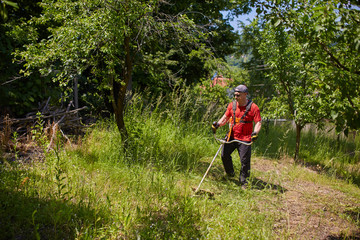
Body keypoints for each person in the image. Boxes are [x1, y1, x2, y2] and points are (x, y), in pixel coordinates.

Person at [212, 84, 262, 188]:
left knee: (244, 161)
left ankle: (244, 182)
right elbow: (225, 118)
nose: (236, 97)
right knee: (224, 155)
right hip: (232, 136)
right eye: (235, 95)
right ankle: (230, 174)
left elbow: (258, 123)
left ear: (245, 94)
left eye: (238, 95)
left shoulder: (253, 107)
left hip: (245, 138)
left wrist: (255, 133)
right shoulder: (232, 105)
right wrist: (217, 125)